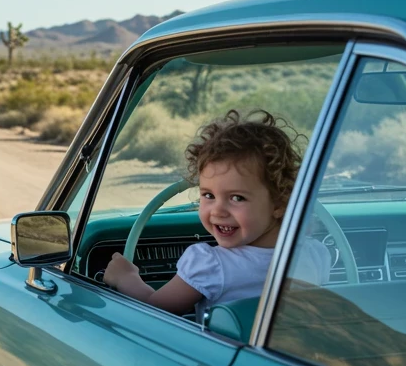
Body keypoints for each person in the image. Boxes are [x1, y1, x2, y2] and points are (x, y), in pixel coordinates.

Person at [103, 109, 332, 316]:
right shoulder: (313, 254)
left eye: (237, 198)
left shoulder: (211, 265)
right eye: (208, 195)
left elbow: (156, 309)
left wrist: (127, 278)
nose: (218, 211)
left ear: (279, 203)